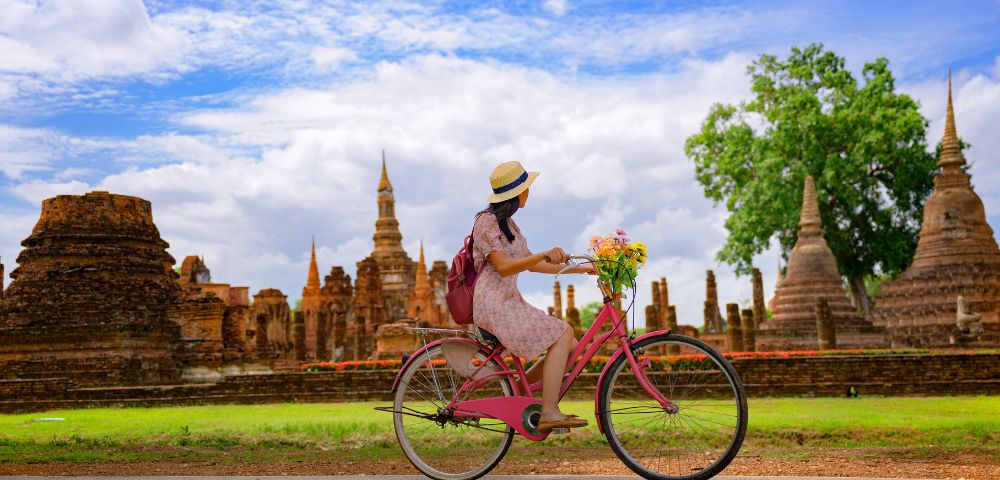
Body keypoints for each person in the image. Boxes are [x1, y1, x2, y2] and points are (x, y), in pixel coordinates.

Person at [471, 160, 595, 432]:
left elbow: (533, 263)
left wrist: (581, 270)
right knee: (564, 333)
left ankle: (516, 391)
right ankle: (549, 411)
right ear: (515, 194)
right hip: (493, 304)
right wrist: (541, 254)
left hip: (509, 301)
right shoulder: (486, 223)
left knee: (572, 345)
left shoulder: (509, 225)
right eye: (526, 188)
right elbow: (504, 267)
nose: (529, 193)